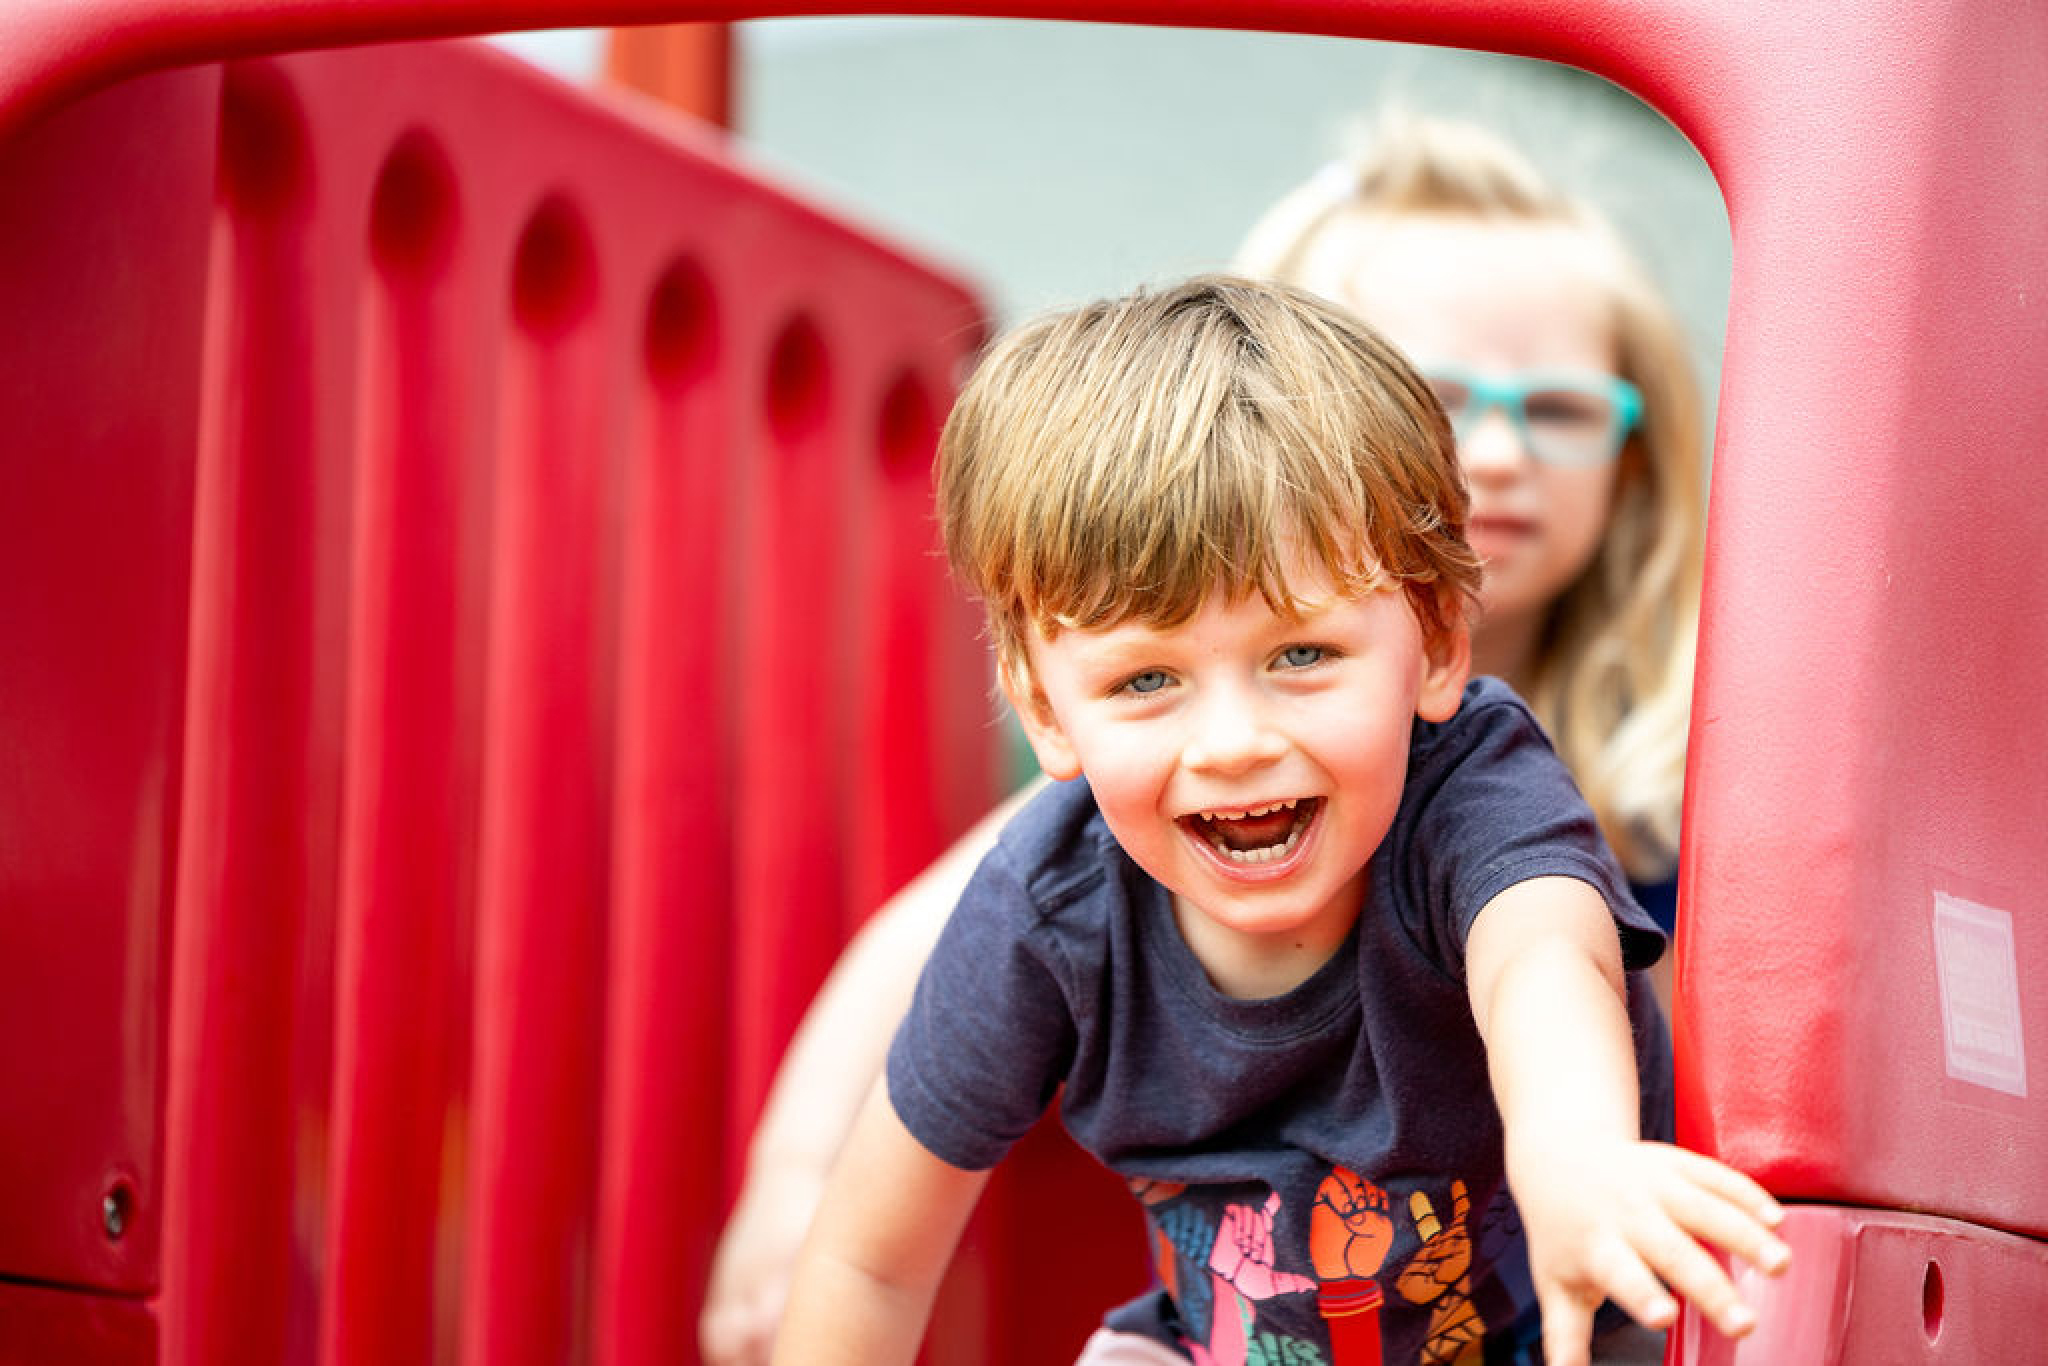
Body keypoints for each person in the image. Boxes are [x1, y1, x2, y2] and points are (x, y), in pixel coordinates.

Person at [702, 116, 1711, 1364]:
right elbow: (874, 1212)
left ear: (1434, 637)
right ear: (1044, 708)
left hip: (1549, 1307)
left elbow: (1540, 967)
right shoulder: (1068, 869)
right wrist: (793, 1182)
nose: (1230, 740)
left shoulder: (1541, 772)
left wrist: (1577, 1164)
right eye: (1145, 679)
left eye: (1300, 655)